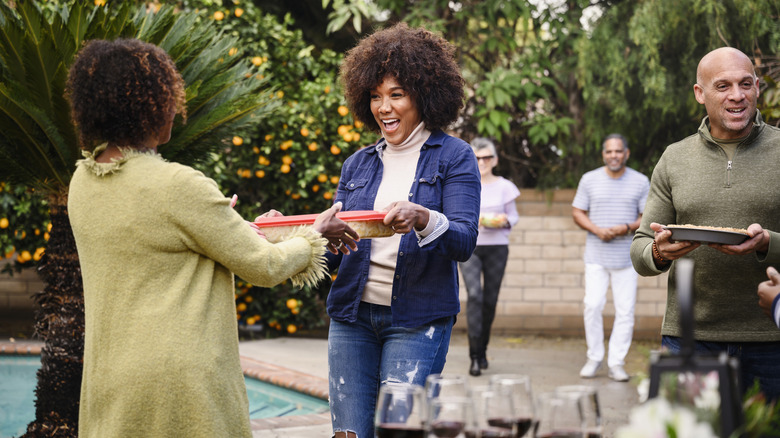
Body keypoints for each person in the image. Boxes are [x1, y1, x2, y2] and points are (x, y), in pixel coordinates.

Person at [66, 39, 357, 438]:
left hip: (110, 378)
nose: (176, 110)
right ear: (149, 105)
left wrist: (231, 229)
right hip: (180, 384)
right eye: (170, 98)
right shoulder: (178, 185)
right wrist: (313, 235)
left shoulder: (81, 182)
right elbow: (266, 266)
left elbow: (157, 246)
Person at [326, 23, 481, 438]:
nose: (384, 107)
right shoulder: (358, 164)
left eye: (396, 94)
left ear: (423, 96)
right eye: (375, 96)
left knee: (398, 431)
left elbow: (464, 240)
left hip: (417, 319)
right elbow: (333, 252)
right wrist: (302, 234)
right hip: (351, 317)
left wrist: (423, 217)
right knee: (349, 434)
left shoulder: (455, 156)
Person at [630, 47, 780, 401]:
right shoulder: (675, 157)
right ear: (700, 93)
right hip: (690, 338)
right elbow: (639, 250)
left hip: (773, 339)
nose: (737, 95)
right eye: (723, 85)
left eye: (746, 84)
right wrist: (659, 251)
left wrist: (767, 243)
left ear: (757, 87)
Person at [572, 134, 649, 382]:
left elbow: (646, 216)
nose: (613, 156)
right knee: (592, 305)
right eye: (609, 152)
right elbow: (577, 211)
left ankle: (616, 362)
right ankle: (594, 358)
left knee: (625, 311)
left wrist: (625, 227)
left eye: (618, 151)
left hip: (627, 258)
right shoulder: (589, 179)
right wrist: (597, 230)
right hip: (596, 255)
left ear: (626, 153)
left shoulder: (640, 181)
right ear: (603, 154)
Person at [459, 137, 520, 377]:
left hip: (497, 247)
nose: (481, 162)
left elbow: (513, 216)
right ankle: (474, 356)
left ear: (494, 160)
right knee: (475, 295)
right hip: (469, 248)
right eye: (476, 158)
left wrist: (504, 221)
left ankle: (483, 349)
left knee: (490, 300)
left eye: (485, 157)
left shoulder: (505, 186)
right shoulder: (463, 182)